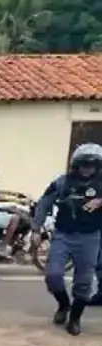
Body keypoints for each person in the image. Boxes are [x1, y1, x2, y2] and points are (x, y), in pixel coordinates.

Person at [30, 143, 102, 335]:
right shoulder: (62, 183)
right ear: (76, 165)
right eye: (84, 164)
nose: (87, 169)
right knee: (53, 276)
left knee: (84, 282)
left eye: (92, 165)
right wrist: (36, 229)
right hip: (63, 235)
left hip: (90, 238)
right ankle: (64, 305)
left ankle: (75, 318)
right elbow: (44, 204)